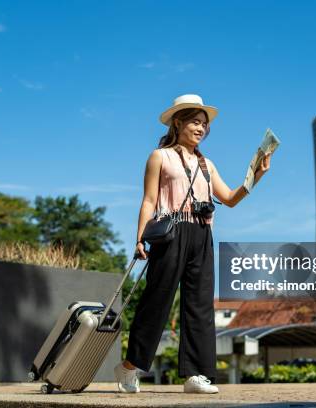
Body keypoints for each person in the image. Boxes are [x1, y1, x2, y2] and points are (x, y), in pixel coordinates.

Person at [114, 94, 272, 394]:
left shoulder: (207, 164)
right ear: (178, 122)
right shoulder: (159, 156)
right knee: (156, 301)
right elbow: (148, 200)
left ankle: (195, 375)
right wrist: (139, 237)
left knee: (199, 305)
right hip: (171, 232)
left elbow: (229, 199)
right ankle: (130, 366)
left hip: (202, 234)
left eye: (204, 124)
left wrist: (257, 176)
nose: (201, 128)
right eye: (195, 122)